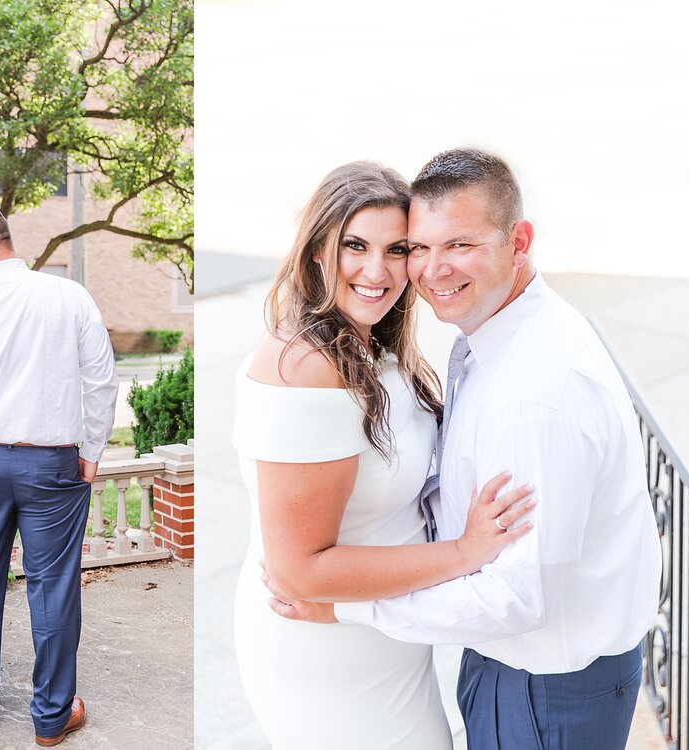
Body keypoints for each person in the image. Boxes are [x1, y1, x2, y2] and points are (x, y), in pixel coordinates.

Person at [268, 149, 662, 750]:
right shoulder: (501, 330)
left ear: (518, 241)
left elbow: (517, 597)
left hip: (544, 689)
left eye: (460, 244)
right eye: (419, 248)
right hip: (522, 673)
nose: (433, 269)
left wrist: (349, 610)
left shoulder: (532, 398)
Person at [232, 161, 535, 749]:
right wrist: (465, 552)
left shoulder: (371, 347)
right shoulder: (308, 367)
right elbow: (299, 571)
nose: (377, 271)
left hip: (383, 636)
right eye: (355, 245)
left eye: (398, 249)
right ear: (319, 248)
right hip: (328, 651)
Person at [0, 201, 118, 745]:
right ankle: (50, 717)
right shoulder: (68, 295)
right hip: (54, 463)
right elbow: (101, 381)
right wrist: (92, 450)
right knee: (54, 586)